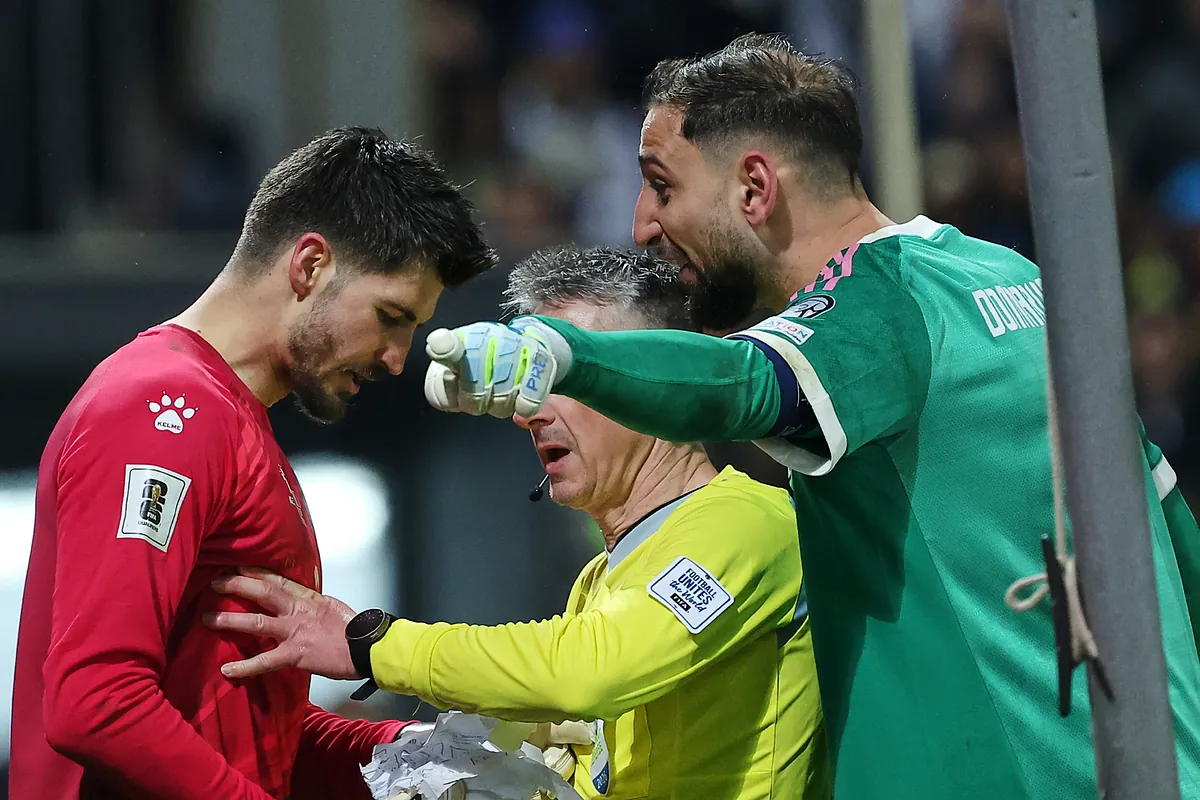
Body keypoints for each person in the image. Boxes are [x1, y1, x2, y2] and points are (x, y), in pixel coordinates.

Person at [419, 34, 1200, 798]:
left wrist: (564, 357)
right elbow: (1166, 519)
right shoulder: (1008, 276)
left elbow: (744, 383)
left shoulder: (883, 302)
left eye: (662, 186)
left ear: (755, 188)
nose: (642, 226)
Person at [204, 246, 830, 800]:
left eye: (566, 376)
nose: (529, 413)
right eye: (529, 382)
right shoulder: (602, 575)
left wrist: (372, 642)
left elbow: (590, 672)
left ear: (648, 387)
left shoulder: (749, 522)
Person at [10, 126, 496, 800]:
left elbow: (245, 731)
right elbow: (98, 700)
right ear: (310, 266)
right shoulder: (164, 409)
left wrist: (426, 757)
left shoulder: (228, 422)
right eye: (391, 316)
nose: (395, 358)